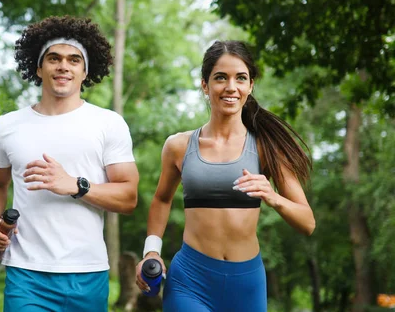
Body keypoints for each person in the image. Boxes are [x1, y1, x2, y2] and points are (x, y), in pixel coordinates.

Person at [135, 40, 315, 311]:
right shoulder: (178, 146)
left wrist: (273, 196)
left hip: (246, 284)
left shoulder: (266, 148)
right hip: (189, 281)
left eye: (240, 78)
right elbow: (161, 200)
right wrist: (152, 251)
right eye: (221, 78)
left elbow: (308, 222)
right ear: (205, 85)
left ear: (250, 85)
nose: (231, 87)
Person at [0, 15, 139, 312]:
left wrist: (76, 185)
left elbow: (129, 197)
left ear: (85, 71)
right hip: (26, 273)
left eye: (74, 60)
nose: (63, 66)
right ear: (39, 68)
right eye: (54, 58)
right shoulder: (8, 125)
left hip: (88, 273)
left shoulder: (108, 123)